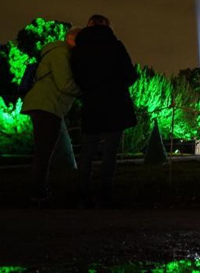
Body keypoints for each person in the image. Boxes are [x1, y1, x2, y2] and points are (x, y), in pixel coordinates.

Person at [71, 15, 138, 207]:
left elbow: (76, 76)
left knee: (88, 151)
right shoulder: (115, 46)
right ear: (108, 26)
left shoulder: (79, 50)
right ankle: (105, 194)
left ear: (88, 26)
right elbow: (130, 74)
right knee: (110, 152)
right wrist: (117, 86)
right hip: (115, 104)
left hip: (92, 103)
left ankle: (82, 194)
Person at [21, 26, 82, 206]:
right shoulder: (61, 54)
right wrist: (84, 91)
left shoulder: (54, 52)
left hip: (43, 104)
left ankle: (39, 190)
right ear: (72, 39)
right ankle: (39, 193)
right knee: (44, 152)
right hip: (47, 105)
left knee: (44, 151)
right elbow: (65, 83)